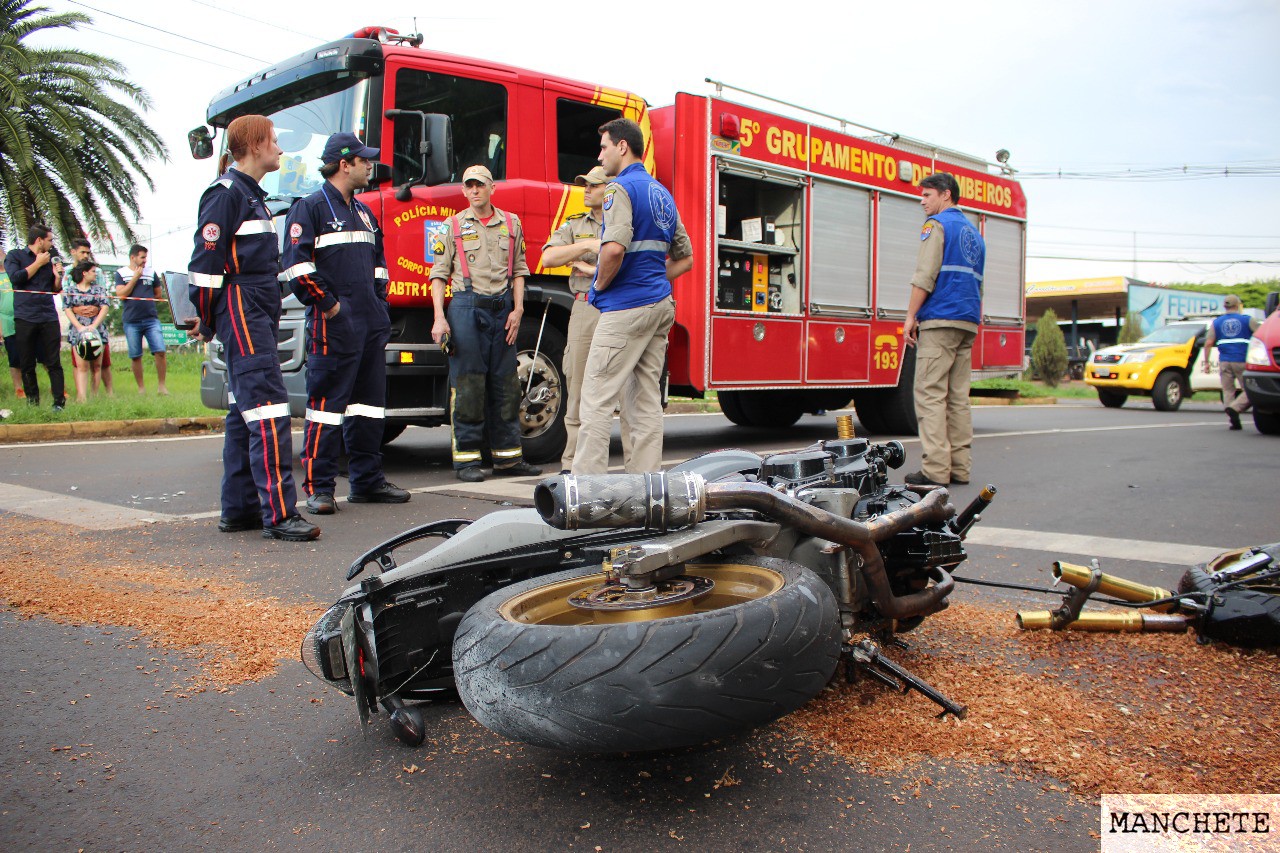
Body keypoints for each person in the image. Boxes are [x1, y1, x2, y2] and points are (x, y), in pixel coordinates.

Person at [188, 114, 319, 542]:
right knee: (266, 408)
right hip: (241, 309)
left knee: (242, 413)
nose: (281, 149)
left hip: (256, 309)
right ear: (255, 145)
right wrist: (208, 319)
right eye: (275, 141)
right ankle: (279, 515)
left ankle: (240, 509)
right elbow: (205, 270)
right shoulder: (226, 195)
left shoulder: (251, 196)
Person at [281, 132, 410, 514]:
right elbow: (297, 267)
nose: (371, 165)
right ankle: (319, 489)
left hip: (370, 324)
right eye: (364, 160)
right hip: (332, 326)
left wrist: (378, 302)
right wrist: (331, 307)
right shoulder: (310, 208)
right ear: (344, 164)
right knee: (325, 408)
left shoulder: (365, 211)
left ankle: (367, 482)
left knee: (369, 407)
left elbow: (380, 261)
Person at [572, 118, 692, 475]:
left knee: (595, 400)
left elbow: (613, 249)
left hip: (625, 308)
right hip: (659, 307)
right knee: (645, 404)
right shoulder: (661, 193)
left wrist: (600, 286)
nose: (601, 154)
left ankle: (585, 495)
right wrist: (654, 279)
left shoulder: (617, 189)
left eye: (604, 146)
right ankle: (647, 493)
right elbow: (685, 258)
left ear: (622, 146)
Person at [429, 164, 543, 482]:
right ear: (464, 191)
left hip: (502, 309)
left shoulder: (511, 223)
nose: (475, 190)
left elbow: (519, 269)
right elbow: (438, 276)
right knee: (468, 386)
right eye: (469, 185)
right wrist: (440, 318)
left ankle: (508, 459)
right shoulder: (450, 227)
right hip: (466, 309)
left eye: (480, 184)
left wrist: (518, 311)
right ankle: (466, 461)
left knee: (506, 386)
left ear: (492, 188)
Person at [539, 165, 633, 473]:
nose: (586, 190)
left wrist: (592, 268)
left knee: (625, 391)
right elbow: (549, 257)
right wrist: (587, 246)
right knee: (577, 386)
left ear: (609, 190)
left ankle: (634, 469)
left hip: (619, 307)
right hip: (584, 307)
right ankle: (572, 467)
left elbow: (634, 265)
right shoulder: (574, 224)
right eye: (584, 185)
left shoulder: (625, 222)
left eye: (592, 185)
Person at [902, 172, 985, 488]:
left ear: (945, 194)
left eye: (927, 195)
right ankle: (960, 468)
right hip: (966, 320)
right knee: (957, 397)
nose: (922, 201)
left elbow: (925, 275)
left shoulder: (936, 227)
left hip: (940, 319)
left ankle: (936, 470)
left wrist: (910, 316)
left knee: (929, 393)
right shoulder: (974, 235)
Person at [3, 224, 66, 410]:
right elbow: (16, 278)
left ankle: (58, 403)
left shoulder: (51, 260)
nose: (52, 243)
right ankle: (33, 403)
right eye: (50, 240)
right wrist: (38, 263)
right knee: (27, 362)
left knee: (53, 362)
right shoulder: (15, 256)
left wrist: (57, 277)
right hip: (25, 317)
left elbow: (54, 290)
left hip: (48, 316)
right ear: (39, 240)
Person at [114, 244, 169, 395]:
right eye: (142, 257)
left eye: (146, 257)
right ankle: (141, 388)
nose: (145, 260)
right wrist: (134, 279)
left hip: (151, 319)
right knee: (135, 355)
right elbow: (121, 294)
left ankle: (162, 387)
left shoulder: (151, 273)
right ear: (133, 257)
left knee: (160, 351)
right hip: (131, 320)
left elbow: (158, 294)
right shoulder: (121, 273)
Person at [1204, 294, 1260, 430]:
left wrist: (1206, 362)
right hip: (1242, 360)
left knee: (1228, 390)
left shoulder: (1217, 322)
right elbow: (1261, 334)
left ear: (1225, 306)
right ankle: (1235, 408)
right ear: (1238, 305)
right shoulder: (1247, 320)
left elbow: (1209, 342)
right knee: (1250, 389)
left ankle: (1232, 418)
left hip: (1224, 361)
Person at [66, 238, 114, 396]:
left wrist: (94, 323)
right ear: (84, 273)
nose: (95, 273)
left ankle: (95, 395)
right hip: (78, 328)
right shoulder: (71, 288)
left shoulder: (98, 289)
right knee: (81, 366)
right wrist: (79, 324)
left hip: (96, 328)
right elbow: (67, 307)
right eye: (92, 271)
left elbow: (104, 306)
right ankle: (82, 397)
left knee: (98, 365)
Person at [0, 268, 21, 398]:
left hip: (26, 317)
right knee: (14, 357)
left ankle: (58, 388)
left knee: (42, 354)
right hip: (6, 320)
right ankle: (19, 389)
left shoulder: (16, 272)